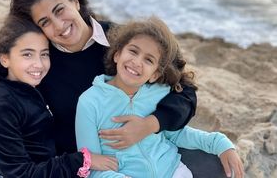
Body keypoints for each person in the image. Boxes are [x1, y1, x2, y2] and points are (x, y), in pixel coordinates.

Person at [0, 0, 220, 176]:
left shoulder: (126, 41)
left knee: (218, 165)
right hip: (77, 159)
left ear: (75, 0)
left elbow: (184, 89)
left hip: (147, 145)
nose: (59, 25)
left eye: (59, 10)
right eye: (45, 22)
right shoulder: (41, 58)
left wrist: (151, 124)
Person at [0, 16, 118, 177]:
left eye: (44, 54)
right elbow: (20, 173)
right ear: (4, 59)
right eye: (27, 54)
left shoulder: (28, 85)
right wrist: (83, 160)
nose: (38, 64)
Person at [75, 17, 244, 178]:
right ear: (117, 54)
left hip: (175, 171)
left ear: (155, 74)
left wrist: (219, 143)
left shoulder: (158, 93)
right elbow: (90, 164)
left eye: (148, 60)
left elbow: (176, 134)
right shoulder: (90, 102)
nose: (137, 62)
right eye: (133, 51)